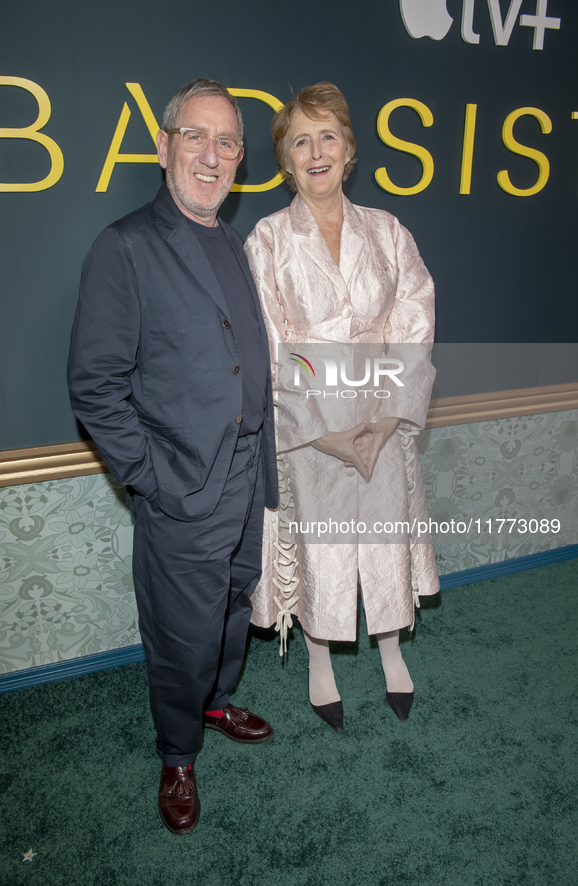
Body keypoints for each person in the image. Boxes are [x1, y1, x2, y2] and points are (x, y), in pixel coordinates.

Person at [67, 79, 278, 835]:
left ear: (240, 160)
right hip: (182, 485)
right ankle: (178, 751)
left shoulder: (230, 239)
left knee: (231, 605)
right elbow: (94, 386)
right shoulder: (124, 247)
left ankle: (216, 703)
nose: (211, 155)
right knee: (179, 627)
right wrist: (153, 480)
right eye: (196, 136)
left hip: (246, 472)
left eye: (226, 142)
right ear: (163, 147)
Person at [245, 82, 439, 734]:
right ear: (286, 161)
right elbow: (267, 339)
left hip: (382, 416)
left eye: (327, 135)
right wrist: (321, 433)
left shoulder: (387, 231)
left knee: (383, 539)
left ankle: (390, 652)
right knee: (321, 548)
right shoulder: (267, 241)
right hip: (310, 426)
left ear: (349, 151)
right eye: (300, 140)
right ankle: (319, 661)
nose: (315, 150)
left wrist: (387, 418)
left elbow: (414, 318)